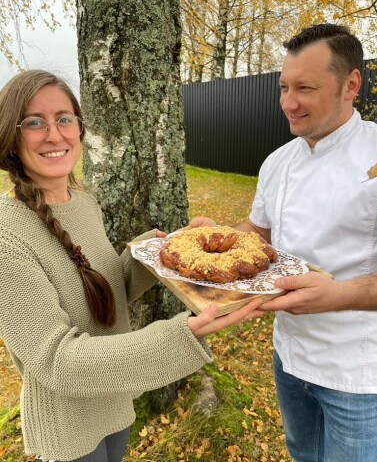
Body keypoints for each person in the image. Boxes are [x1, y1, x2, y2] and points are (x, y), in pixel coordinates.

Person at [0, 70, 264, 462]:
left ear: (79, 127)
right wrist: (182, 334)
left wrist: (159, 250)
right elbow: (57, 362)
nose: (54, 134)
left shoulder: (83, 202)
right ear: (10, 135)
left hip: (114, 400)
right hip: (70, 425)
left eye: (64, 118)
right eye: (34, 122)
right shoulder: (7, 234)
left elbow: (103, 289)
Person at [191, 23, 377, 461]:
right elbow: (260, 234)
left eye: (304, 88)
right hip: (289, 357)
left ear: (351, 84)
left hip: (359, 373)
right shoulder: (278, 161)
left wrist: (338, 294)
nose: (287, 103)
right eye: (283, 87)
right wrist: (209, 239)